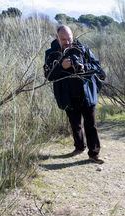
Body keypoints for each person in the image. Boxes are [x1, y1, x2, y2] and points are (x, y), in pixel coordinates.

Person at [44, 25, 106, 164]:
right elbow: (48, 75)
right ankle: (79, 147)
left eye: (69, 38)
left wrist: (84, 67)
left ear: (73, 36)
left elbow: (99, 69)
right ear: (57, 38)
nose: (67, 42)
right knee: (75, 124)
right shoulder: (51, 53)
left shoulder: (83, 50)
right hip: (67, 95)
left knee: (91, 125)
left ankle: (94, 153)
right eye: (63, 39)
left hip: (86, 93)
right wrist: (61, 66)